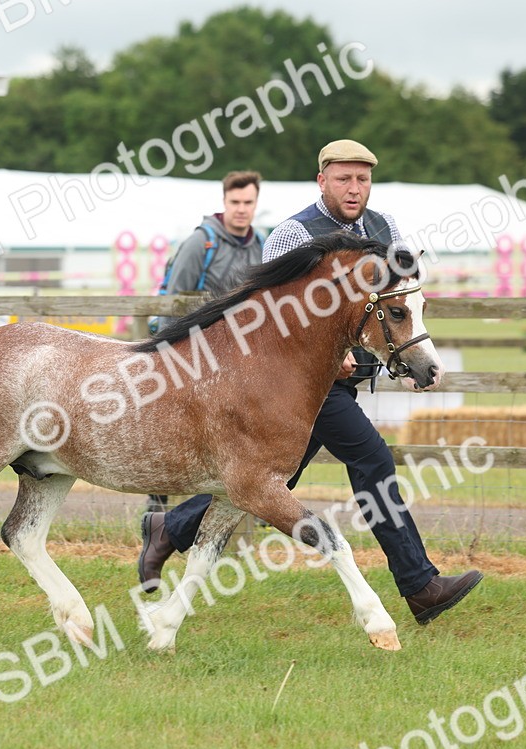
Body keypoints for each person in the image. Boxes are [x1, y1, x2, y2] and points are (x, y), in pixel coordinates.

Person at [139, 139, 483, 625]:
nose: (353, 187)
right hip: (293, 386)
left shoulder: (386, 230)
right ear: (322, 180)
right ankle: (420, 586)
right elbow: (267, 316)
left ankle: (169, 529)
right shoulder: (292, 234)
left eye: (362, 178)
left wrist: (410, 358)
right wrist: (335, 352)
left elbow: (400, 300)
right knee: (372, 458)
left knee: (268, 482)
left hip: (341, 380)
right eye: (343, 178)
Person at [145, 170, 265, 514]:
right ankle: (156, 507)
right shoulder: (202, 242)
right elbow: (171, 300)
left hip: (237, 356)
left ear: (256, 204)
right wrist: (168, 358)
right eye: (235, 202)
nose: (241, 209)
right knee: (171, 431)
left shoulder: (259, 245)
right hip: (190, 351)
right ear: (224, 202)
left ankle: (252, 503)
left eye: (248, 202)